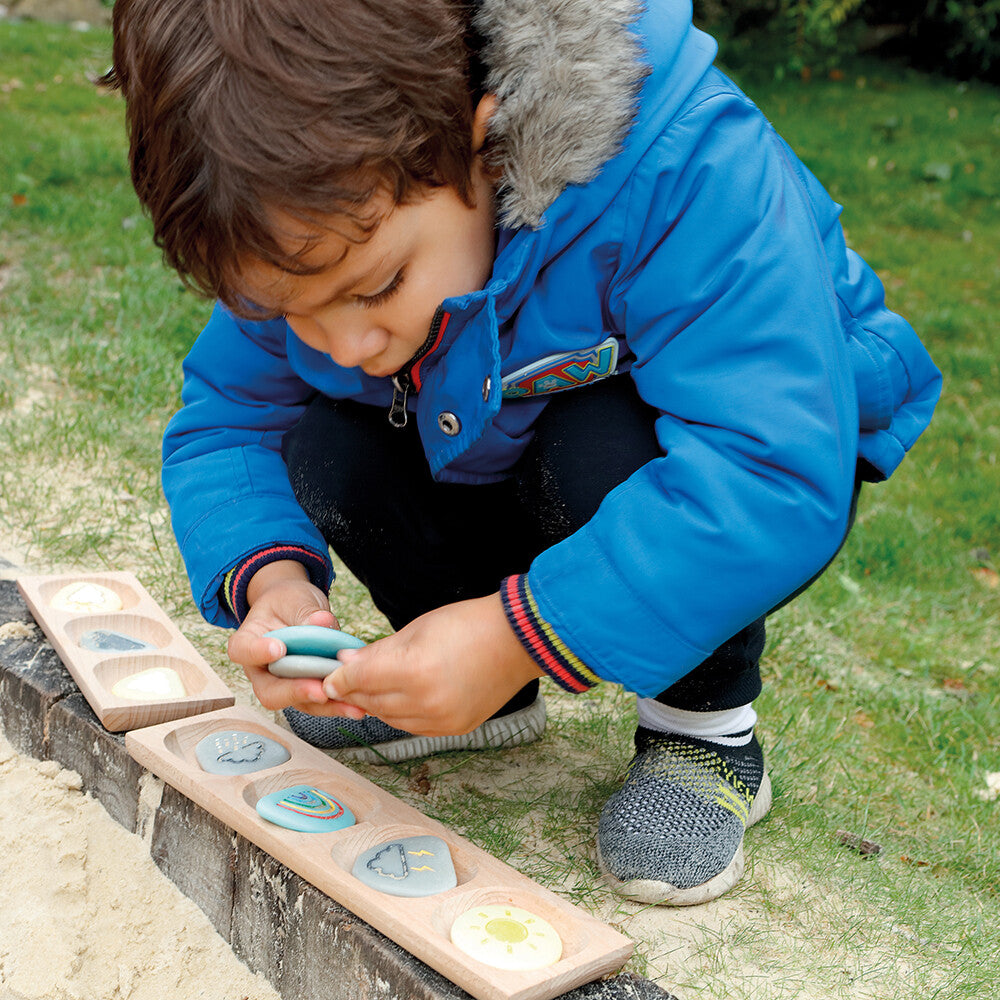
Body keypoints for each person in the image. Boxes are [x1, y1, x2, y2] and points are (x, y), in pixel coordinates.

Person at [105, 0, 941, 905]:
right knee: (327, 438)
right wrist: (274, 588)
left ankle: (704, 726)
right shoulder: (317, 212)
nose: (344, 344)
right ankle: (473, 702)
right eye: (285, 311)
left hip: (770, 440)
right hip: (494, 422)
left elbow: (767, 468)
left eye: (377, 286)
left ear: (484, 143)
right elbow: (229, 420)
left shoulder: (679, 162)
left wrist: (515, 637)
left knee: (599, 450)